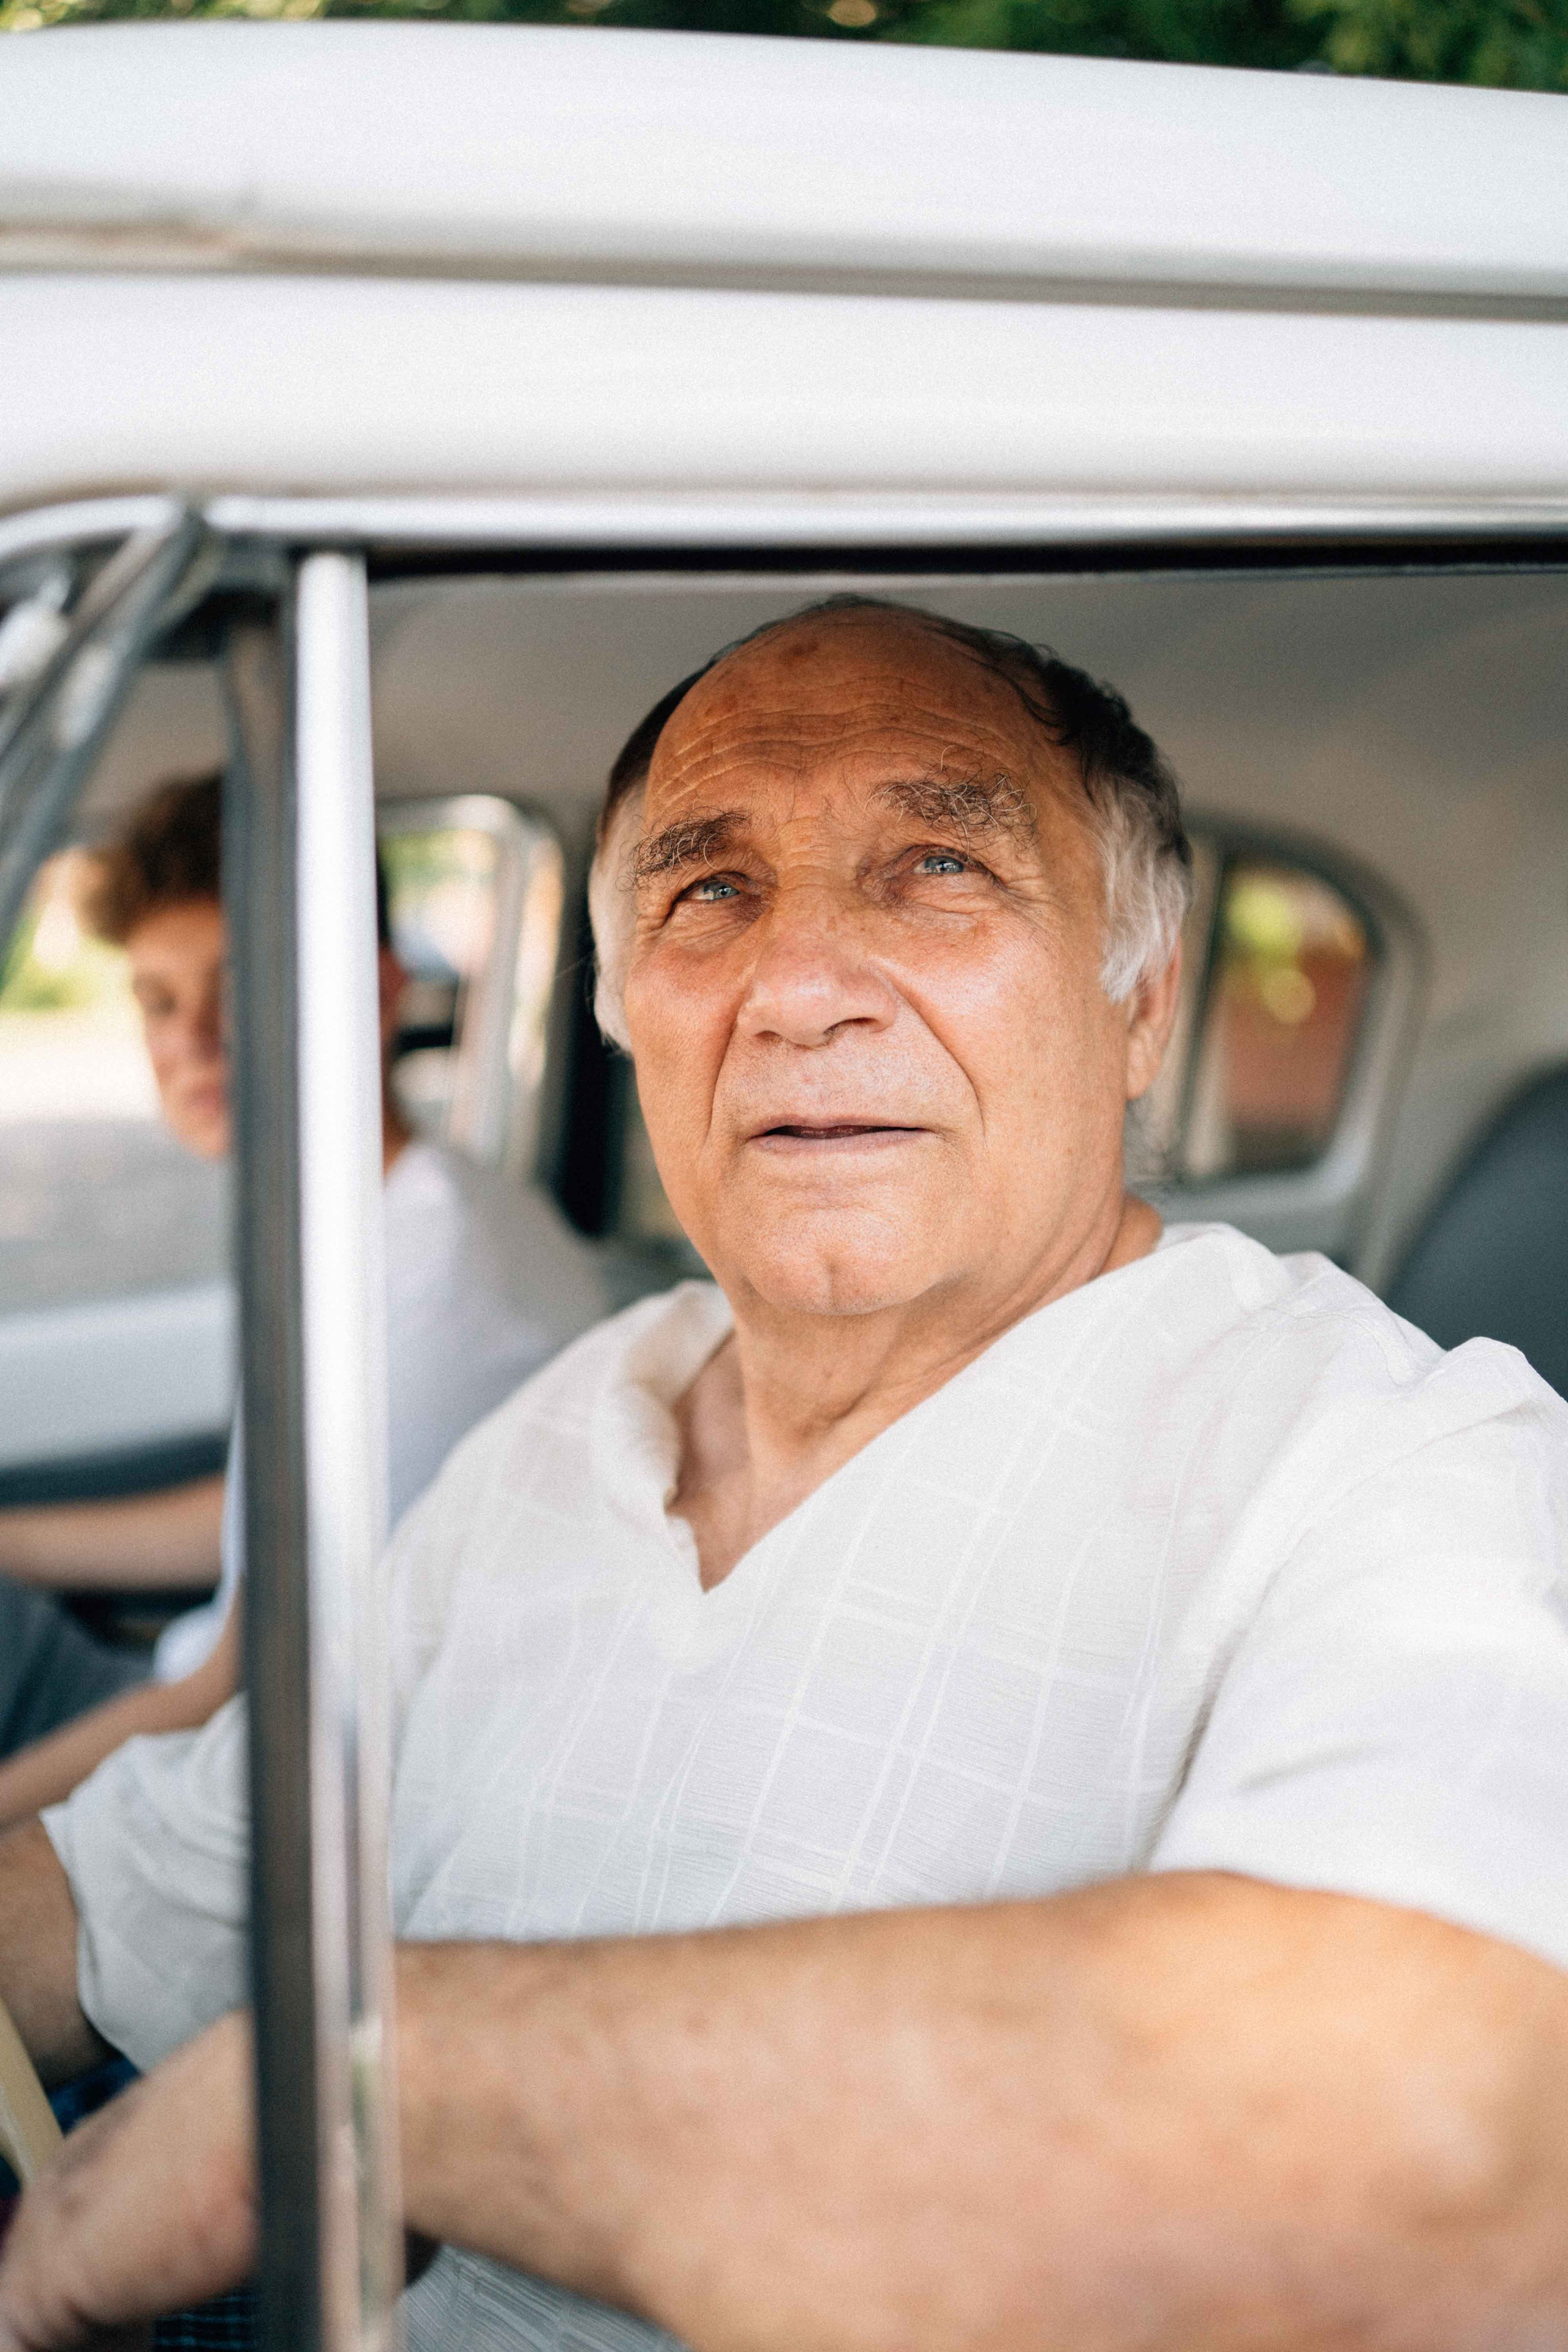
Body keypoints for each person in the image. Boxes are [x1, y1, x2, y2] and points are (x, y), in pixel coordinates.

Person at [2, 597, 1568, 2352]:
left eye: (938, 869)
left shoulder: (1393, 1464)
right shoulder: (581, 1415)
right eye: (710, 892)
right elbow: (170, 1868)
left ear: (1140, 1001)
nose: (802, 989)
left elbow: (1444, 2145)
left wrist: (389, 2080)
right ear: (623, 1014)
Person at [0, 774, 609, 1826]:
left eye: (238, 987)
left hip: (230, 1776)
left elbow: (237, 1691)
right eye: (157, 1000)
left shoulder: (426, 1282)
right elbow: (269, 1521)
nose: (191, 1040)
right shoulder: (381, 1216)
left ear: (374, 996)